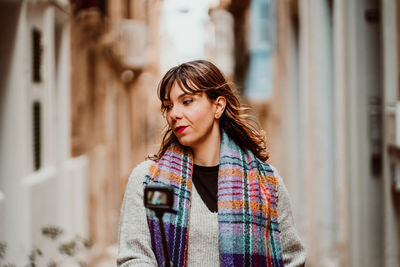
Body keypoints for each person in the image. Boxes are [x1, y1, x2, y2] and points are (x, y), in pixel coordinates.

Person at [117, 60, 306, 267]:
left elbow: (292, 259)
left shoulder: (266, 182)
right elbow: (133, 259)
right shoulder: (147, 181)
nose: (174, 114)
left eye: (187, 101)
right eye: (168, 106)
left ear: (218, 106)